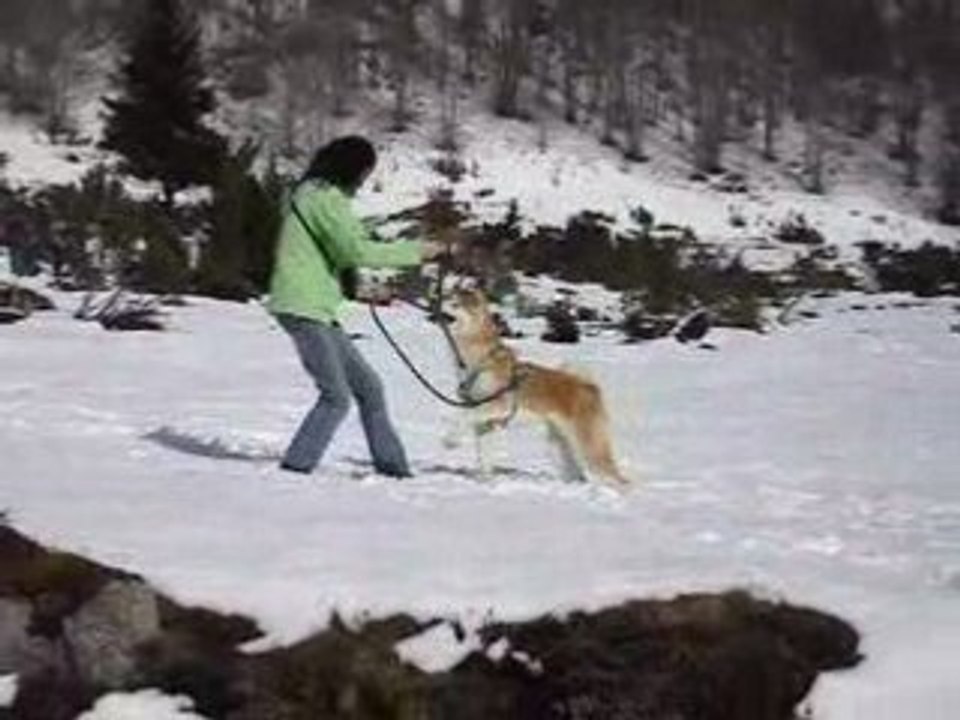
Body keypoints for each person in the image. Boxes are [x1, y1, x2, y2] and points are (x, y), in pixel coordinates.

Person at [269, 136, 443, 477]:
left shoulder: (308, 195)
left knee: (369, 388)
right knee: (335, 396)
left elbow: (333, 251)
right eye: (365, 172)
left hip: (315, 306)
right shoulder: (324, 198)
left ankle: (393, 469)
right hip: (304, 307)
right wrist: (418, 252)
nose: (364, 181)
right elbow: (355, 250)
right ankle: (295, 469)